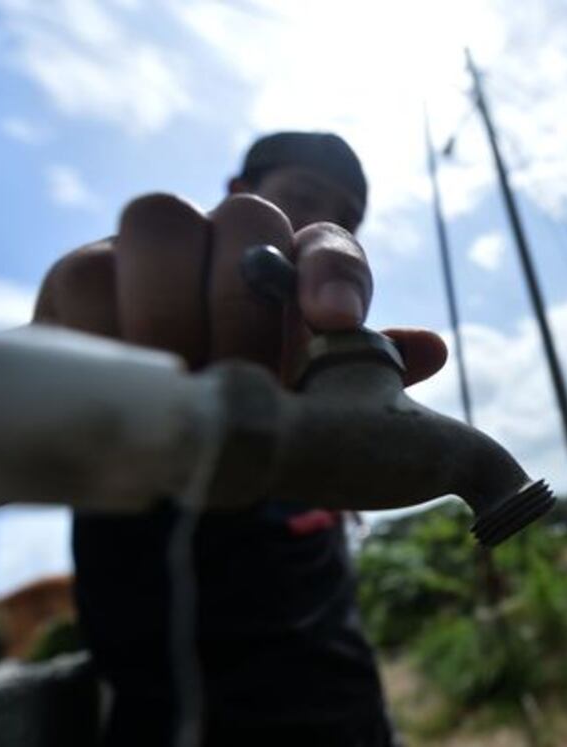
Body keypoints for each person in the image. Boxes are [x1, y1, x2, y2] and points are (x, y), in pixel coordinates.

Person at [33, 132, 447, 746]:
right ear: (238, 194)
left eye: (347, 219)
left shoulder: (318, 400)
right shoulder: (159, 381)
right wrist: (70, 359)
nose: (323, 227)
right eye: (302, 197)